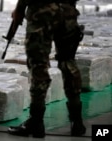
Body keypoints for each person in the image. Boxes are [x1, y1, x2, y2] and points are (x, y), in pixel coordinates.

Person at [7, 0, 86, 138]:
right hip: (67, 11)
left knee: (39, 65)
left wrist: (20, 9)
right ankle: (77, 122)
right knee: (68, 61)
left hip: (42, 11)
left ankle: (36, 121)